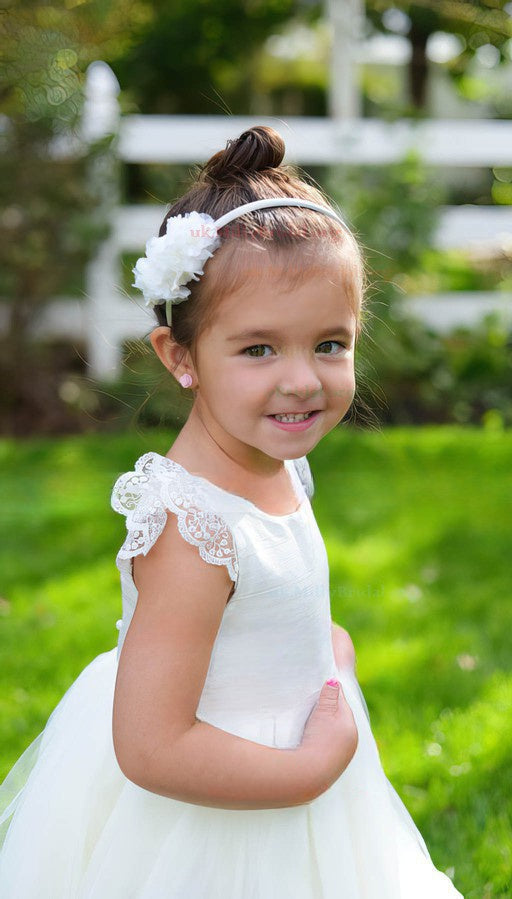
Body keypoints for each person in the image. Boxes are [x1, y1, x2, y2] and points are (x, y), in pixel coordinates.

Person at [0, 125, 463, 897]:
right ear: (179, 355)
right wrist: (308, 768)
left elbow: (269, 605)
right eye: (257, 349)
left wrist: (325, 648)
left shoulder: (279, 465)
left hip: (290, 781)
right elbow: (152, 744)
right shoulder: (193, 526)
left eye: (329, 343)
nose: (302, 380)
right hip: (214, 813)